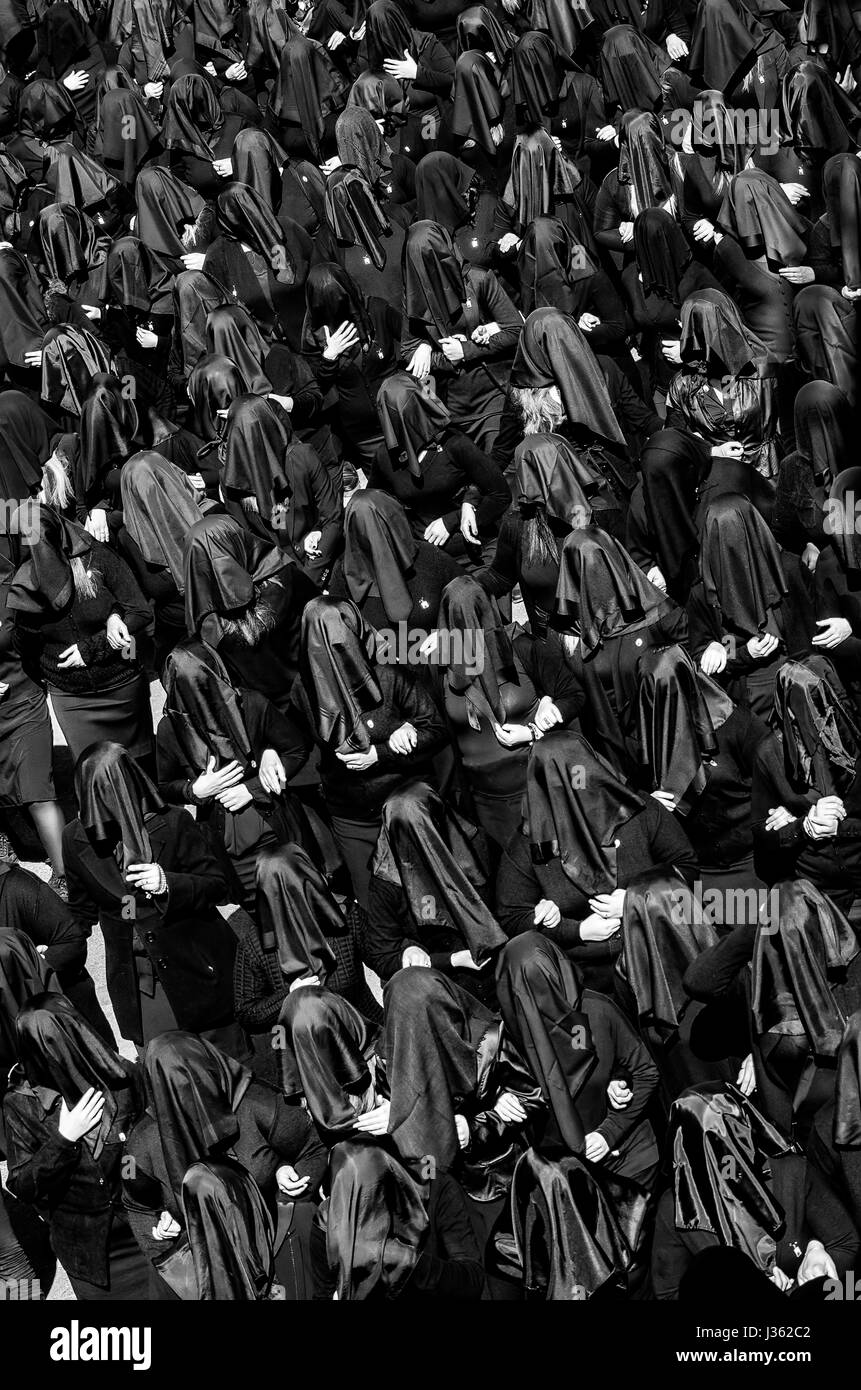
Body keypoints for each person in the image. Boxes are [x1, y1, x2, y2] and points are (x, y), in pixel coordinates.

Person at [62, 743, 241, 1055]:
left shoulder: (173, 823)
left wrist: (167, 883)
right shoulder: (75, 838)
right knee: (164, 1068)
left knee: (224, 1067)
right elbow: (80, 909)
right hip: (139, 978)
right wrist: (52, 942)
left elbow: (218, 886)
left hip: (193, 965)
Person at [4, 994, 149, 1300]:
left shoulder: (122, 1077)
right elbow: (22, 1185)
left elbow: (160, 1145)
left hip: (149, 1234)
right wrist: (64, 1139)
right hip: (89, 1255)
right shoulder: (20, 1104)